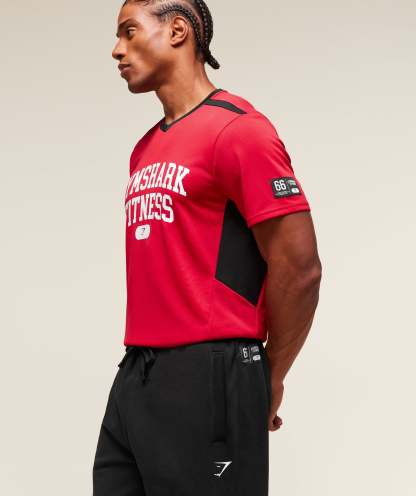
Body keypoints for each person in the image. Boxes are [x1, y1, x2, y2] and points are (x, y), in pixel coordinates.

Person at [92, 1, 322, 495]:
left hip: (212, 370)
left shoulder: (239, 130)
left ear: (178, 30)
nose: (117, 50)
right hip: (137, 373)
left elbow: (300, 267)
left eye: (129, 32)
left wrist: (269, 375)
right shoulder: (145, 148)